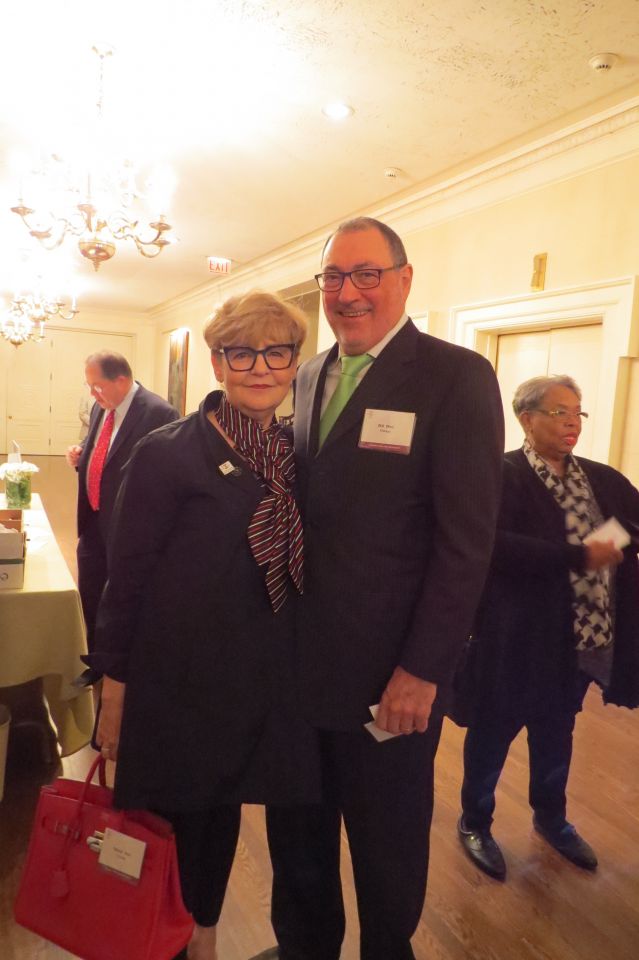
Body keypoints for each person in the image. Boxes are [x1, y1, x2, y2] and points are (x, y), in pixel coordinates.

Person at [260, 217, 505, 960]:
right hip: (298, 668)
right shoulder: (307, 375)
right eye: (334, 277)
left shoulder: (455, 377)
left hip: (388, 678)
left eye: (366, 274)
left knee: (385, 843)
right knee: (297, 839)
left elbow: (465, 544)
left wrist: (423, 669)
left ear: (402, 279)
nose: (347, 292)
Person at [87, 293, 320, 960]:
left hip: (264, 675)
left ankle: (205, 940)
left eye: (276, 352)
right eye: (240, 353)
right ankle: (173, 942)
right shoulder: (168, 453)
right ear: (217, 363)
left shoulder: (297, 454)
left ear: (293, 365)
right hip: (181, 680)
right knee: (180, 820)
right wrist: (115, 690)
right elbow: (123, 579)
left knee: (221, 817)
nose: (259, 367)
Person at [455, 375, 639, 882]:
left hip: (581, 640)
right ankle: (475, 820)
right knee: (494, 733)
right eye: (559, 412)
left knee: (557, 732)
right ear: (526, 418)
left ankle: (551, 818)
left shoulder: (601, 478)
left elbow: (634, 523)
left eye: (578, 412)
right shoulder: (499, 474)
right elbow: (491, 545)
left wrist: (609, 542)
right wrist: (580, 555)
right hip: (516, 636)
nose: (572, 423)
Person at [66, 351, 179, 681]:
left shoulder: (159, 412)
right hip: (93, 517)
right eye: (89, 386)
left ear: (122, 380)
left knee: (118, 597)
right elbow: (101, 446)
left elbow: (163, 474)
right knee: (89, 589)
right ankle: (95, 660)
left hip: (127, 524)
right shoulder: (105, 406)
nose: (92, 394)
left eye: (97, 386)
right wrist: (81, 453)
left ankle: (118, 664)